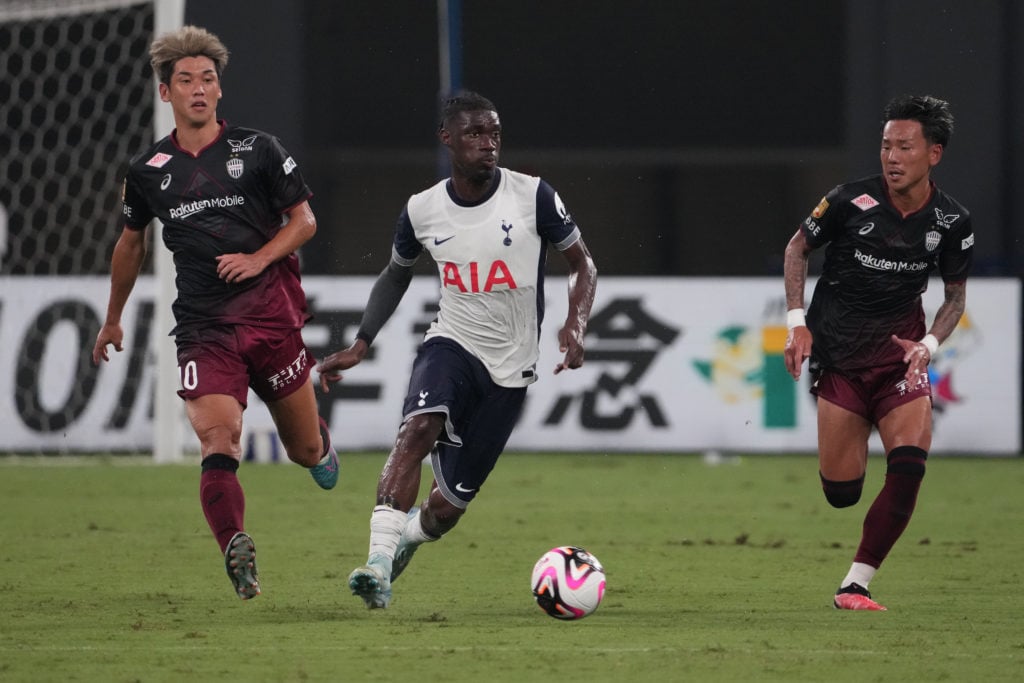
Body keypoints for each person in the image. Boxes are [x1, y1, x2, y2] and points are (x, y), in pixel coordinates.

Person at [317, 91, 598, 609]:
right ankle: (377, 561)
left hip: (512, 370)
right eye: (474, 134)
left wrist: (574, 326)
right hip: (452, 342)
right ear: (447, 138)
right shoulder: (422, 209)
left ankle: (405, 541)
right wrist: (360, 343)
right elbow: (395, 274)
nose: (487, 144)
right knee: (417, 429)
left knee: (445, 510)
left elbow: (583, 264)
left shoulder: (533, 195)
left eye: (493, 133)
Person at [91, 26, 339, 601]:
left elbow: (304, 221)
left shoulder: (259, 149)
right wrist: (113, 317)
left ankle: (319, 442)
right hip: (204, 328)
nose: (198, 89)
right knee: (218, 436)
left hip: (272, 320)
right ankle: (236, 546)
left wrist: (258, 258)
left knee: (304, 453)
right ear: (165, 93)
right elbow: (131, 244)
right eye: (185, 81)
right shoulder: (148, 170)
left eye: (207, 79)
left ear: (220, 90)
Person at [783, 94, 973, 611]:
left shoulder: (952, 221)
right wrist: (797, 324)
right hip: (842, 361)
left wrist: (929, 345)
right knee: (841, 494)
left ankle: (855, 584)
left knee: (910, 465)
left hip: (899, 361)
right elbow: (797, 247)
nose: (891, 156)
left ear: (933, 153)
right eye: (886, 145)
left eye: (904, 147)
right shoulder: (848, 201)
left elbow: (955, 297)